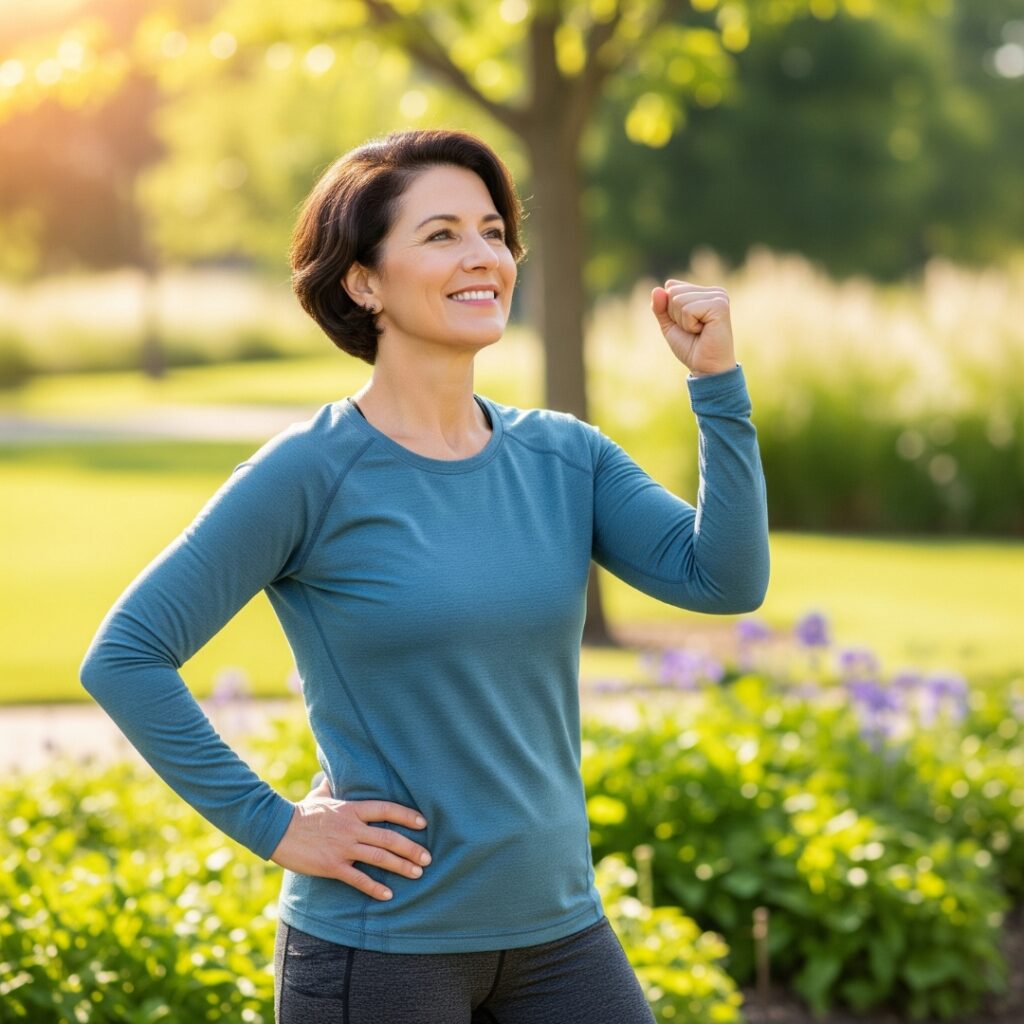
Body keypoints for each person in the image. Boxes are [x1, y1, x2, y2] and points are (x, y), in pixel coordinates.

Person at [79, 127, 770, 1023]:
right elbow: (125, 655)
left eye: (492, 230)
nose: (482, 255)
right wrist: (277, 825)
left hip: (560, 934)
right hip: (382, 953)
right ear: (362, 281)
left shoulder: (567, 457)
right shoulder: (308, 473)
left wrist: (717, 384)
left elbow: (724, 580)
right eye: (441, 234)